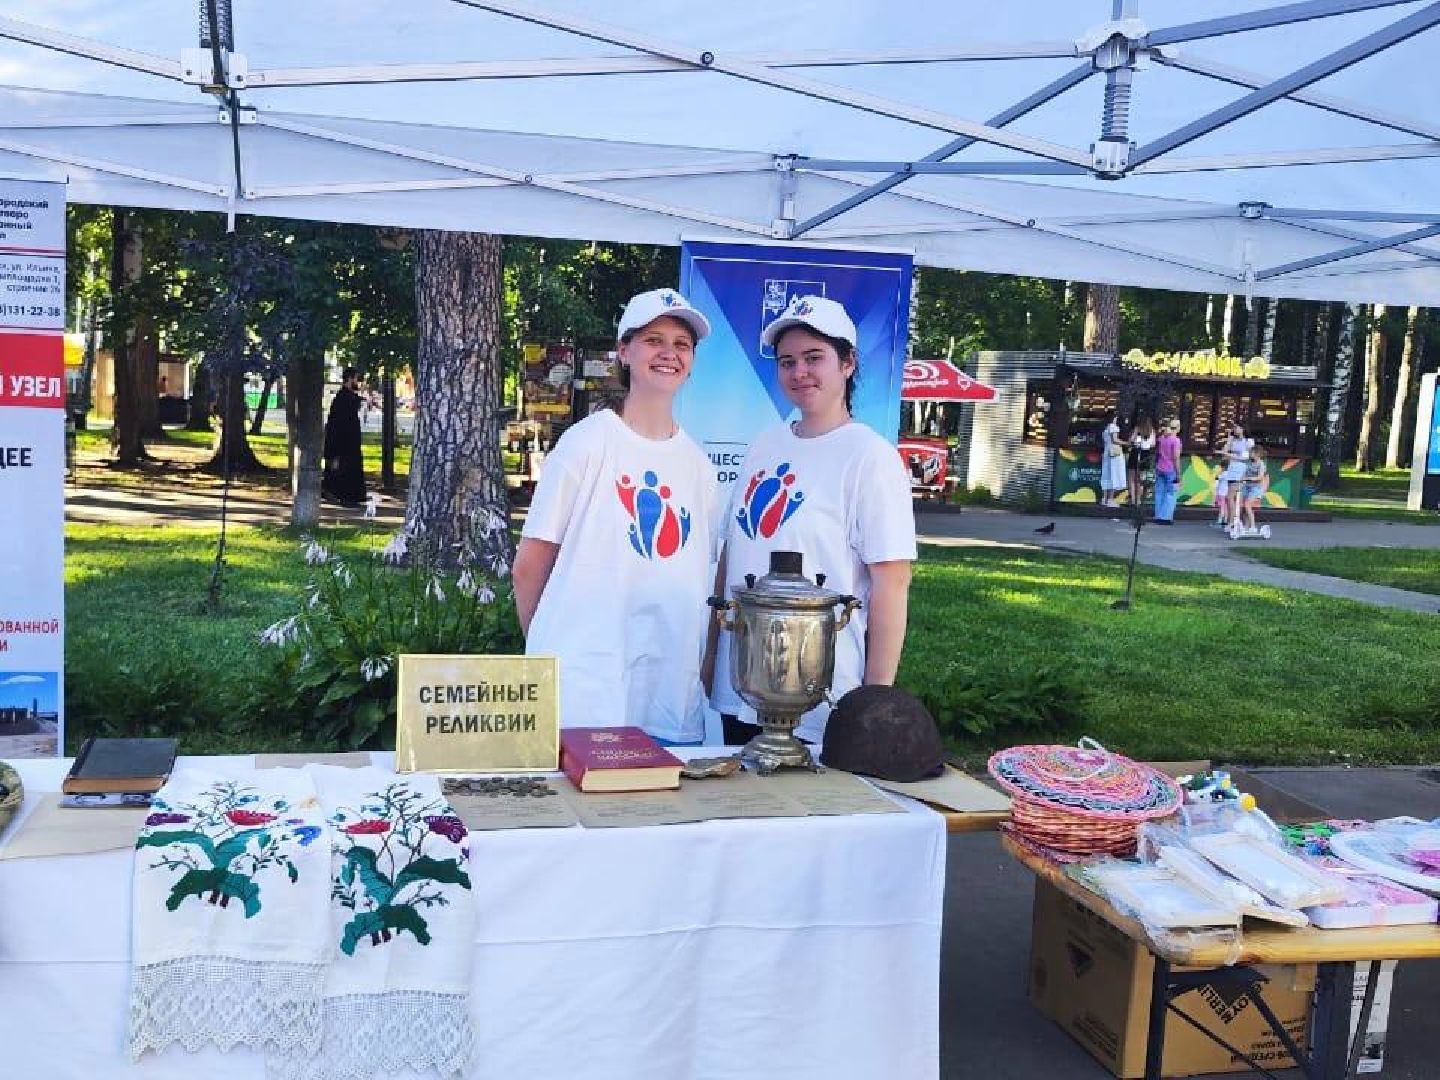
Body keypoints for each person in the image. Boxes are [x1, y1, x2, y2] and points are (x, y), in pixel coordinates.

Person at [706, 294, 917, 748]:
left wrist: (874, 704)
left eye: (814, 358)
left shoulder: (869, 457)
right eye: (787, 362)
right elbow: (731, 555)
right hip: (740, 679)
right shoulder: (765, 445)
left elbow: (892, 584)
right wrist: (709, 662)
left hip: (818, 693)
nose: (799, 372)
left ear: (848, 363)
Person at [511, 288, 718, 745]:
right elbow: (529, 567)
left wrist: (697, 675)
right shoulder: (586, 445)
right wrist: (548, 660)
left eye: (682, 344)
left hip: (667, 696)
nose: (669, 354)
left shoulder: (699, 466)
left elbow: (703, 582)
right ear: (624, 351)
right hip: (586, 694)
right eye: (653, 340)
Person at [322, 367, 366, 507]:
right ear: (350, 378)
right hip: (344, 443)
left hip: (348, 442)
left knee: (347, 468)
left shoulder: (345, 397)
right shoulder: (343, 398)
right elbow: (340, 424)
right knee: (345, 469)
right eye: (356, 379)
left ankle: (349, 496)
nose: (357, 382)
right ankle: (345, 496)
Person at [1217, 422, 1253, 533]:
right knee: (1230, 498)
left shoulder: (1248, 442)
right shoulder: (1233, 440)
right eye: (1235, 427)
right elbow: (1224, 452)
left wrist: (1230, 455)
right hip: (1231, 470)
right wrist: (1229, 440)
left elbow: (1246, 458)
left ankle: (1233, 521)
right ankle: (1232, 520)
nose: (1235, 429)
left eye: (1237, 427)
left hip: (1241, 470)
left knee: (1231, 497)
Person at [1235, 443, 1272, 539]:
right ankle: (1246, 526)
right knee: (1244, 507)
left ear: (1257, 454)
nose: (1250, 454)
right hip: (1247, 486)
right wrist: (1241, 480)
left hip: (1256, 487)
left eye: (1251, 453)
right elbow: (1244, 473)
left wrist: (1248, 478)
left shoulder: (1261, 464)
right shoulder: (1249, 463)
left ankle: (1253, 526)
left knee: (1247, 505)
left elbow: (1260, 477)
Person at [1153, 418, 1182, 525]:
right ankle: (1166, 517)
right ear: (1178, 428)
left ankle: (1158, 515)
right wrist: (1179, 474)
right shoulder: (1176, 440)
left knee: (1160, 492)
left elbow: (1157, 453)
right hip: (1171, 469)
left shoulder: (1161, 438)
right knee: (1170, 493)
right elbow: (1176, 457)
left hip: (1160, 467)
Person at [1126, 416, 1156, 509]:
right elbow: (1153, 444)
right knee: (1141, 479)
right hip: (1145, 454)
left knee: (1131, 478)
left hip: (1136, 452)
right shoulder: (1152, 430)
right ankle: (1139, 500)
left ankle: (1132, 499)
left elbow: (1131, 440)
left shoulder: (1137, 428)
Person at [1100, 412, 1127, 509]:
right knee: (1114, 476)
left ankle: (1104, 499)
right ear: (1114, 418)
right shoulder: (1113, 427)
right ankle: (1111, 499)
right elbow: (1115, 440)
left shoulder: (1106, 428)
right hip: (1115, 454)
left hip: (1107, 453)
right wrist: (1126, 443)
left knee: (1106, 475)